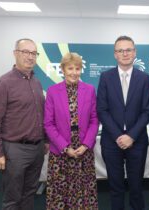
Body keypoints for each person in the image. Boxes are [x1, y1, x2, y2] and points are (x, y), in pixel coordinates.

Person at [0, 38, 47, 210]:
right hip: (14, 150)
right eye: (25, 52)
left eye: (34, 53)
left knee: (29, 194)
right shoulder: (3, 84)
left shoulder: (36, 81)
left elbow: (41, 114)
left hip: (37, 149)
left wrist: (46, 140)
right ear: (15, 54)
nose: (30, 57)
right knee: (13, 198)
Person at [97, 35, 149, 210]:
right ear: (115, 54)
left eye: (128, 49)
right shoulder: (106, 77)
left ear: (135, 52)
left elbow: (147, 111)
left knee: (136, 187)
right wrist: (119, 136)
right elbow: (102, 110)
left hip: (137, 142)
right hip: (112, 142)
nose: (125, 53)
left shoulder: (143, 78)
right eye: (121, 50)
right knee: (116, 187)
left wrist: (131, 136)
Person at [44, 52, 99, 209]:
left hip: (83, 150)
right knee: (61, 194)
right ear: (62, 69)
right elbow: (48, 124)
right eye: (70, 68)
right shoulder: (53, 91)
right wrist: (64, 147)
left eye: (77, 68)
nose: (74, 72)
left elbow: (94, 120)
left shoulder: (89, 90)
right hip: (61, 152)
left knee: (84, 193)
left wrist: (86, 145)